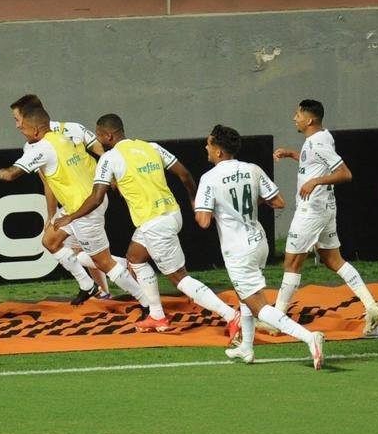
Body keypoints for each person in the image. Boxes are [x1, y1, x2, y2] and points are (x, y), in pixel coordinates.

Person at [57, 113, 242, 334]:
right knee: (135, 257)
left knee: (179, 279)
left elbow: (96, 198)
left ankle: (231, 316)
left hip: (155, 224)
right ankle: (157, 316)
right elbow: (184, 174)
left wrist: (71, 216)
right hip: (171, 214)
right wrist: (194, 200)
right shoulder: (151, 147)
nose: (97, 140)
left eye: (98, 135)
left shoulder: (110, 158)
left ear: (108, 135)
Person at [0, 102, 136, 305]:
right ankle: (90, 286)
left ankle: (141, 296)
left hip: (87, 203)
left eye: (18, 119)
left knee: (98, 258)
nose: (17, 126)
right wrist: (52, 215)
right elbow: (55, 179)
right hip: (80, 202)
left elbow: (12, 175)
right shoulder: (65, 133)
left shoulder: (46, 142)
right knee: (52, 241)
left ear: (33, 120)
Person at [195, 125, 325, 368]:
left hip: (238, 249)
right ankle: (246, 347)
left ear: (219, 152)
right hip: (258, 242)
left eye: (209, 144)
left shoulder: (209, 178)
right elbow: (278, 202)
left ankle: (309, 338)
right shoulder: (252, 170)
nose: (206, 147)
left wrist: (210, 206)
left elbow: (203, 222)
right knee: (245, 295)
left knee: (258, 306)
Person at [273, 100, 378, 333]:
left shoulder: (317, 144)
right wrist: (292, 154)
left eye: (298, 114)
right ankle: (371, 305)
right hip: (325, 207)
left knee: (291, 262)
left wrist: (315, 181)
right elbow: (316, 161)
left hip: (311, 210)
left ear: (309, 120)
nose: (294, 118)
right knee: (332, 259)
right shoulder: (323, 137)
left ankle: (276, 320)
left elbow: (345, 174)